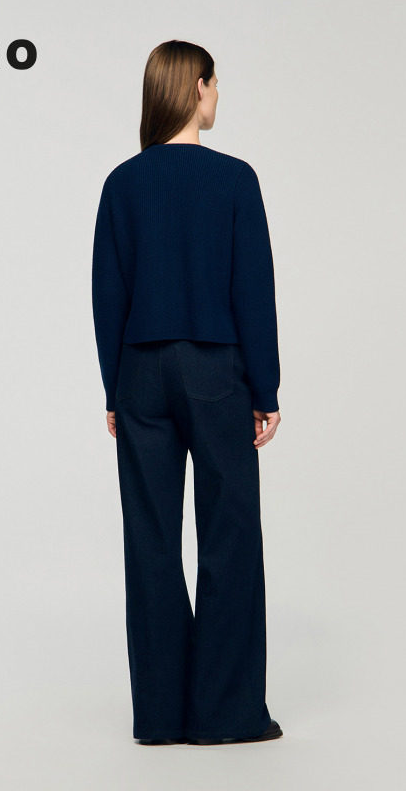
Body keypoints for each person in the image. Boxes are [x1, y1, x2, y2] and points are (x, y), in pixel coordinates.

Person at [91, 39, 283, 746]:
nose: (218, 94)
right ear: (196, 87)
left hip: (140, 373)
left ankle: (161, 715)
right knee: (229, 536)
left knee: (150, 541)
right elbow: (252, 290)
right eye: (215, 83)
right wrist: (265, 387)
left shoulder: (122, 183)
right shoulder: (234, 179)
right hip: (214, 373)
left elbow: (107, 294)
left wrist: (114, 388)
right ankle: (225, 714)